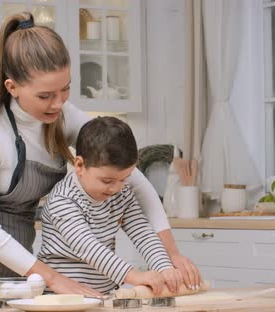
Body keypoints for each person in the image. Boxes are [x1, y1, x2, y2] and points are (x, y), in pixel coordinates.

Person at [0, 12, 200, 312]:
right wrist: (53, 279)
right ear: (12, 87)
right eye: (45, 95)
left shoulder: (62, 116)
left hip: (25, 266)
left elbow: (133, 179)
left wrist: (172, 255)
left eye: (65, 89)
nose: (58, 103)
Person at [39, 116, 182, 295]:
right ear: (80, 165)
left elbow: (142, 232)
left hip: (103, 295)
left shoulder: (121, 193)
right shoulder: (63, 201)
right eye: (107, 180)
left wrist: (164, 267)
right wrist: (134, 276)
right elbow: (89, 248)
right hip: (61, 298)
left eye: (124, 179)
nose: (116, 188)